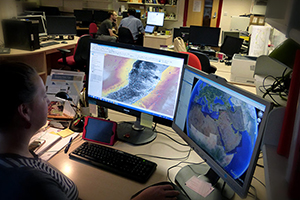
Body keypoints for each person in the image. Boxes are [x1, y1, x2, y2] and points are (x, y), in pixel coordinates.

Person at [0, 61, 180, 200]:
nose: (49, 101)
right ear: (24, 111)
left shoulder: (12, 156)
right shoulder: (35, 183)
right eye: (43, 95)